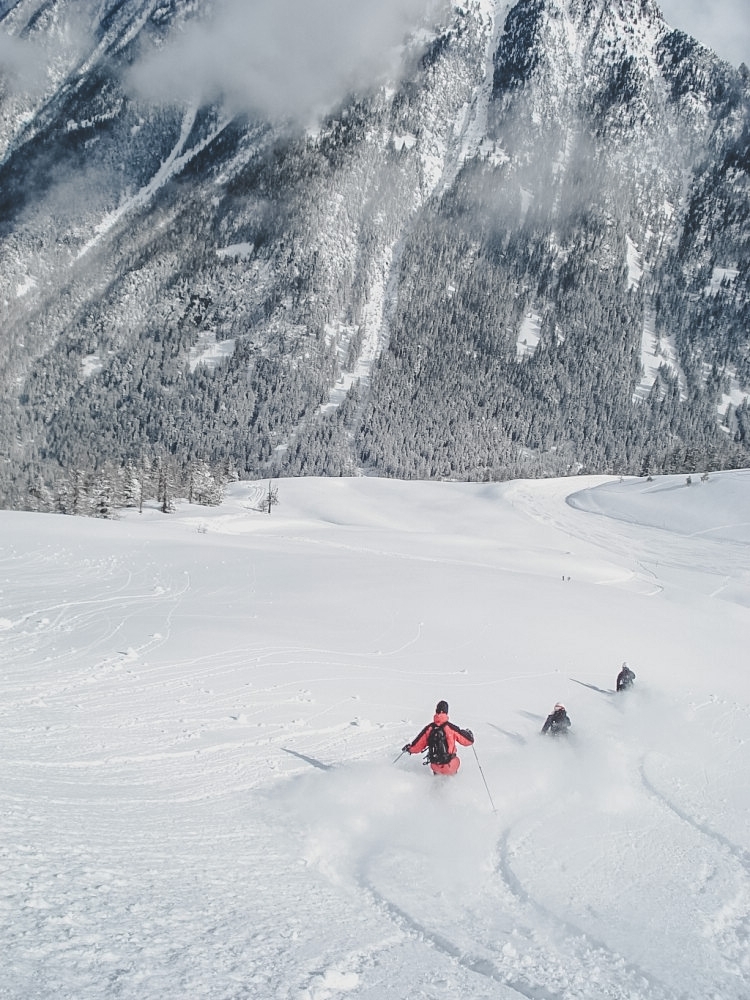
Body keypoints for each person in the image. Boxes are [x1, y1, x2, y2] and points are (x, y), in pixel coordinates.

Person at [402, 700, 474, 775]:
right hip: (450, 766)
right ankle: (452, 781)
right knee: (456, 761)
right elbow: (467, 741)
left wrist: (409, 749)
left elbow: (417, 746)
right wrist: (470, 736)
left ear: (436, 711)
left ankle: (436, 783)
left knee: (437, 771)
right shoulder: (450, 728)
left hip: (435, 766)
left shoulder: (429, 728)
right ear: (446, 712)